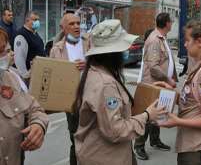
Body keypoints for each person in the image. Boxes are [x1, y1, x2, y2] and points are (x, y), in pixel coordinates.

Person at [73, 19, 166, 165]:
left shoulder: (95, 72)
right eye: (122, 48)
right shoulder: (106, 84)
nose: (126, 51)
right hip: (105, 157)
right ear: (112, 53)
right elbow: (116, 130)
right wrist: (147, 116)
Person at [160, 21, 201, 165]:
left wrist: (178, 121)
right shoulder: (199, 66)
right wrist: (172, 93)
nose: (185, 44)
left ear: (200, 42)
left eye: (187, 40)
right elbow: (193, 100)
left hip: (198, 148)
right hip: (191, 145)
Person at [0, 28, 48, 165]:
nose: (10, 54)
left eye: (8, 49)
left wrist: (38, 125)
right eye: (2, 51)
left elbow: (35, 109)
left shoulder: (11, 77)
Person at [49, 13, 90, 165]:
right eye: (72, 24)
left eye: (78, 23)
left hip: (92, 95)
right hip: (71, 101)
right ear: (63, 28)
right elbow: (53, 76)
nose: (77, 26)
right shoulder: (56, 50)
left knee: (93, 137)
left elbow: (101, 65)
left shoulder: (89, 42)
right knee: (76, 138)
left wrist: (88, 64)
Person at [135, 13, 176, 160]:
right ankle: (139, 146)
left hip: (161, 84)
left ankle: (155, 140)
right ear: (166, 24)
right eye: (171, 21)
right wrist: (168, 79)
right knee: (147, 116)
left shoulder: (162, 38)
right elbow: (153, 67)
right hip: (153, 84)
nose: (172, 23)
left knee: (159, 112)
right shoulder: (154, 40)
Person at [13, 11, 45, 82]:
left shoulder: (35, 34)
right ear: (27, 20)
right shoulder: (21, 35)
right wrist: (25, 76)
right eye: (35, 20)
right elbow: (19, 57)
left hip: (37, 74)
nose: (38, 22)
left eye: (38, 20)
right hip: (29, 76)